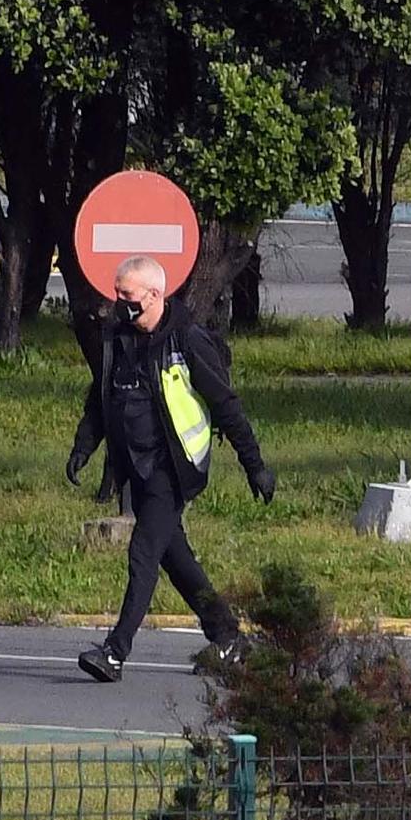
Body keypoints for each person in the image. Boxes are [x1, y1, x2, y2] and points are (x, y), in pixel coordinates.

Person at [66, 256, 274, 683]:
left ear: (155, 295)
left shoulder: (187, 340)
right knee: (176, 559)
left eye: (128, 296)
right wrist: (84, 447)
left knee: (143, 553)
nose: (119, 304)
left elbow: (226, 405)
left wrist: (255, 466)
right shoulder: (118, 339)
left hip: (172, 469)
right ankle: (229, 636)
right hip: (135, 467)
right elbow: (100, 398)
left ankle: (115, 652)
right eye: (117, 294)